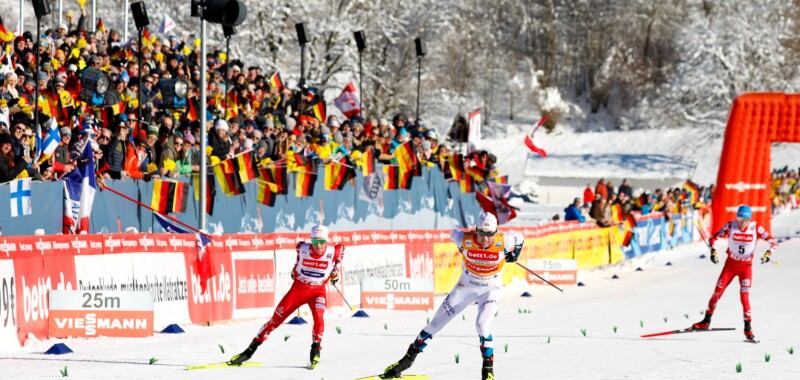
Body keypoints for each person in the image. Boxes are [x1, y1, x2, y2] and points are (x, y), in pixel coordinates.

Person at [381, 212, 524, 380]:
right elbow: (452, 233)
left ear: (495, 232)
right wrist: (461, 247)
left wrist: (515, 254)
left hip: (490, 288)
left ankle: (488, 372)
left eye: (489, 234)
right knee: (435, 324)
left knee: (482, 324)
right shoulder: (464, 238)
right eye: (481, 233)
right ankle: (406, 361)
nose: (485, 239)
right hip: (466, 286)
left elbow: (520, 237)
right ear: (476, 230)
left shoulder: (504, 242)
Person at [229, 225, 344, 369]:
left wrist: (335, 271)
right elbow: (298, 259)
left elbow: (341, 252)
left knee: (319, 317)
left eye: (322, 242)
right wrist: (295, 269)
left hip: (317, 292)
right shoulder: (302, 248)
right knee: (275, 321)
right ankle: (249, 351)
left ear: (326, 241)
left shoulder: (334, 251)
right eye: (315, 242)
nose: (318, 246)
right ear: (311, 241)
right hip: (299, 290)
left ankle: (315, 349)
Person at [692, 205, 777, 342]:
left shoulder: (756, 228)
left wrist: (768, 254)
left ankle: (748, 329)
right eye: (740, 218)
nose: (742, 222)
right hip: (730, 265)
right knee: (717, 293)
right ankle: (706, 321)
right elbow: (713, 238)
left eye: (745, 219)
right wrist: (713, 251)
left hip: (746, 267)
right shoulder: (730, 226)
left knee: (744, 298)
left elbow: (773, 242)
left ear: (750, 219)